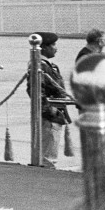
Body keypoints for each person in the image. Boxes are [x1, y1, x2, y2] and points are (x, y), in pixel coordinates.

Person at [29, 32, 72, 168]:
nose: (55, 48)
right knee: (47, 159)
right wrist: (50, 111)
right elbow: (35, 91)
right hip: (49, 117)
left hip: (55, 115)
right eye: (53, 45)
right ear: (44, 47)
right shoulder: (40, 65)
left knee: (50, 156)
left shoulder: (49, 65)